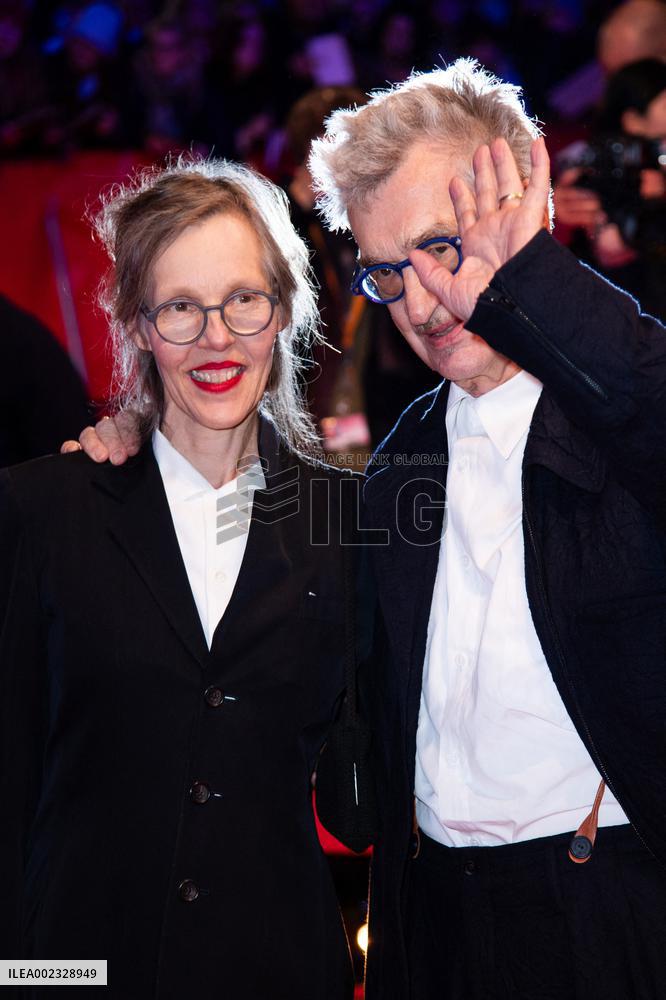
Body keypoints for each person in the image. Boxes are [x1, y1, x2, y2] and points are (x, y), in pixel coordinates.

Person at [70, 59, 666, 999]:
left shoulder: (623, 417)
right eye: (390, 271)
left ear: (527, 220)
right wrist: (146, 451)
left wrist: (538, 286)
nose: (425, 303)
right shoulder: (401, 458)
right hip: (430, 925)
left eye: (445, 248)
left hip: (608, 918)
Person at [1, 158, 359, 999]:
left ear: (283, 309)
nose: (216, 337)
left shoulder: (351, 525)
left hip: (280, 967)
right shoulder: (44, 512)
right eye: (180, 309)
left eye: (243, 299)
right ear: (136, 324)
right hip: (79, 967)